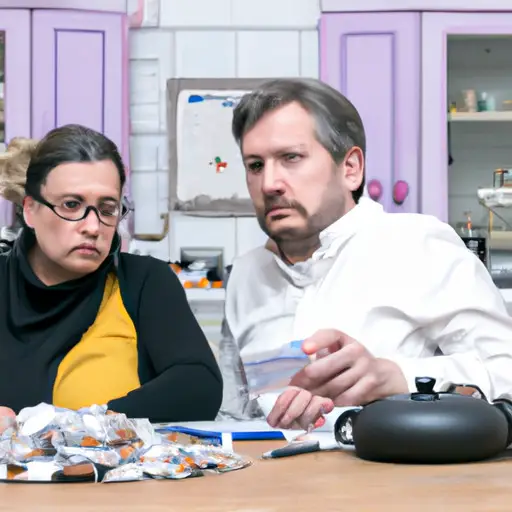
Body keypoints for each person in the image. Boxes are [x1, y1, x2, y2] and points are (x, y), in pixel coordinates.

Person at [219, 77, 512, 429]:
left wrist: (396, 377)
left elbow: (505, 368)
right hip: (272, 479)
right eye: (255, 165)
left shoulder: (416, 245)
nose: (269, 183)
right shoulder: (248, 273)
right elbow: (236, 410)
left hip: (396, 477)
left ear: (351, 169)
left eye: (291, 157)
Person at [0, 125, 223, 422]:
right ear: (30, 210)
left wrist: (90, 425)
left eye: (107, 209)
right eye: (71, 205)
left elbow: (199, 385)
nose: (93, 227)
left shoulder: (143, 282)